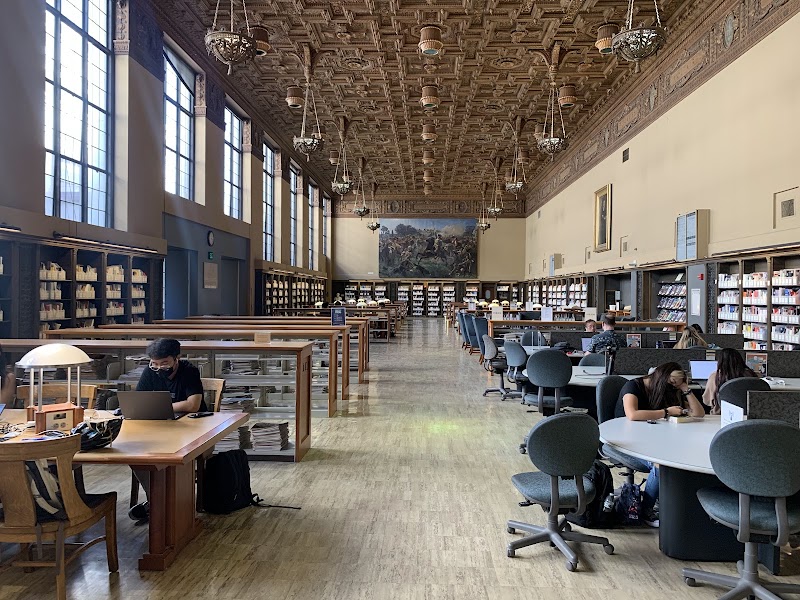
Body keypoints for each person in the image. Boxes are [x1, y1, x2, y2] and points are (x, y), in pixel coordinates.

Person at [617, 362, 705, 527]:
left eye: (675, 385)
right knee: (660, 463)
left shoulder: (667, 390)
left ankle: (674, 504)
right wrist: (666, 412)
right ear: (662, 378)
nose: (672, 388)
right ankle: (646, 510)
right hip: (626, 442)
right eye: (671, 383)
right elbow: (632, 414)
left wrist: (685, 388)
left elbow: (699, 414)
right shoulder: (633, 386)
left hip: (654, 441)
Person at [129, 338, 205, 522]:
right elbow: (139, 401)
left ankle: (165, 502)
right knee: (133, 453)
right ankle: (156, 500)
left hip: (189, 426)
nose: (159, 368)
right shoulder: (150, 371)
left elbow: (193, 404)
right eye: (154, 364)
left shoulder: (189, 371)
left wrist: (164, 406)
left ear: (176, 359)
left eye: (165, 363)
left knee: (170, 452)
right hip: (158, 424)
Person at [702, 348, 758, 415]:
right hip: (748, 415)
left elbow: (706, 401)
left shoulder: (715, 377)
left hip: (721, 415)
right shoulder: (750, 374)